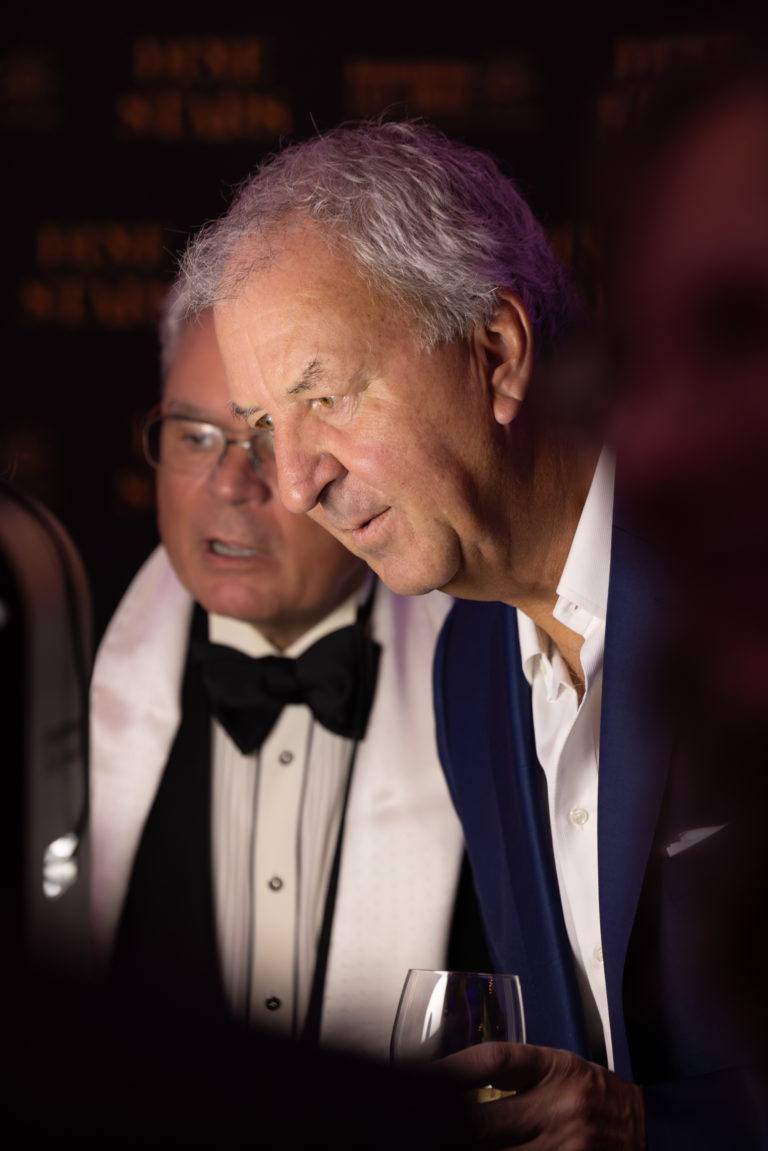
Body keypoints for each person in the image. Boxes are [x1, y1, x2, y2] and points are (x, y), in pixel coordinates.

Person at [170, 119, 765, 1146]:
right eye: (270, 426)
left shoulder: (734, 589)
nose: (297, 483)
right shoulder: (471, 672)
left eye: (327, 396)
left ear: (497, 353)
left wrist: (645, 1128)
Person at [89, 297, 486, 1061]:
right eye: (195, 435)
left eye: (271, 436)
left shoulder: (508, 685)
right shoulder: (61, 673)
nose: (230, 484)